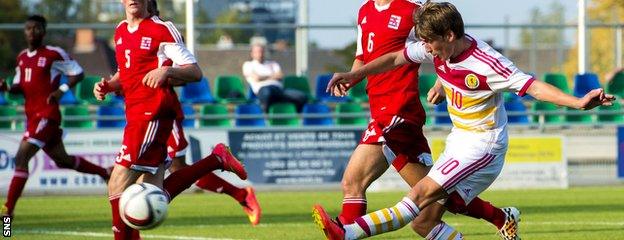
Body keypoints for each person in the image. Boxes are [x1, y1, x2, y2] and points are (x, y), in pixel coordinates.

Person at [314, 1, 615, 239]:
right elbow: (395, 58)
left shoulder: (487, 64)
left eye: (431, 43)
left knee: (417, 197)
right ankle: (502, 217)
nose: (428, 50)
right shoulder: (438, 47)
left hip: (483, 146)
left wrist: (577, 102)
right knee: (424, 224)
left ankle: (346, 232)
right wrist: (355, 74)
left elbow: (532, 85)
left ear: (450, 35)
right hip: (459, 141)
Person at [312, 1, 518, 239]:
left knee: (353, 182)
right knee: (434, 200)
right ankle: (500, 217)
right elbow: (363, 56)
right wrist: (351, 78)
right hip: (378, 106)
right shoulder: (365, 11)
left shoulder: (412, 8)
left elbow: (452, 38)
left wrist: (444, 80)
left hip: (399, 108)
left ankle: (345, 233)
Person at [93, 1, 248, 239]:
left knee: (117, 186)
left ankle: (218, 160)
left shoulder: (162, 29)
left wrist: (167, 71)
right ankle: (217, 159)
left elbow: (195, 72)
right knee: (152, 192)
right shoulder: (121, 31)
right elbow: (127, 72)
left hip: (152, 112)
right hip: (134, 114)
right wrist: (109, 85)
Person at [150, 0, 262, 226]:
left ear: (151, 9)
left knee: (169, 173)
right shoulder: (131, 35)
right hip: (142, 113)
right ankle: (240, 192)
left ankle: (234, 184)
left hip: (162, 111)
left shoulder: (163, 37)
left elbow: (189, 73)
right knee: (176, 172)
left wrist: (164, 76)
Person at [0, 15, 111, 217]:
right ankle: (106, 173)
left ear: (44, 31)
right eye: (28, 28)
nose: (32, 32)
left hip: (47, 115)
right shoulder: (22, 57)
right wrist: (6, 87)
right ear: (25, 32)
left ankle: (8, 212)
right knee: (63, 160)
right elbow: (19, 87)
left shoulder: (53, 53)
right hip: (32, 117)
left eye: (36, 28)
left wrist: (60, 90)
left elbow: (78, 73)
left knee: (21, 157)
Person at [242, 44, 308, 112]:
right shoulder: (248, 65)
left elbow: (280, 75)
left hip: (279, 90)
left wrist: (264, 77)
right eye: (257, 52)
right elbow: (256, 78)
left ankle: (293, 118)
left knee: (302, 97)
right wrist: (272, 76)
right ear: (252, 54)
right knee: (267, 93)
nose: (260, 54)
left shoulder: (273, 63)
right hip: (263, 90)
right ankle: (265, 117)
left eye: (261, 51)